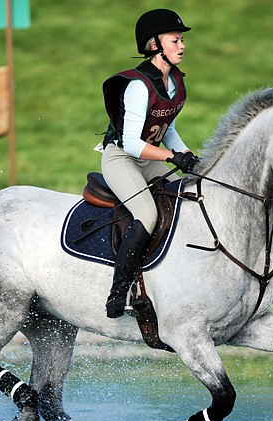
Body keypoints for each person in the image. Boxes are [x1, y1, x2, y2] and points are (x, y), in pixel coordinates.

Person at [101, 8, 197, 318]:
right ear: (154, 45)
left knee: (193, 192)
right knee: (146, 211)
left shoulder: (174, 82)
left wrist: (188, 156)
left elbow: (166, 127)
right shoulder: (139, 85)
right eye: (175, 40)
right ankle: (119, 293)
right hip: (122, 159)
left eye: (181, 40)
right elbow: (131, 143)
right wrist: (172, 157)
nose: (181, 46)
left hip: (149, 158)